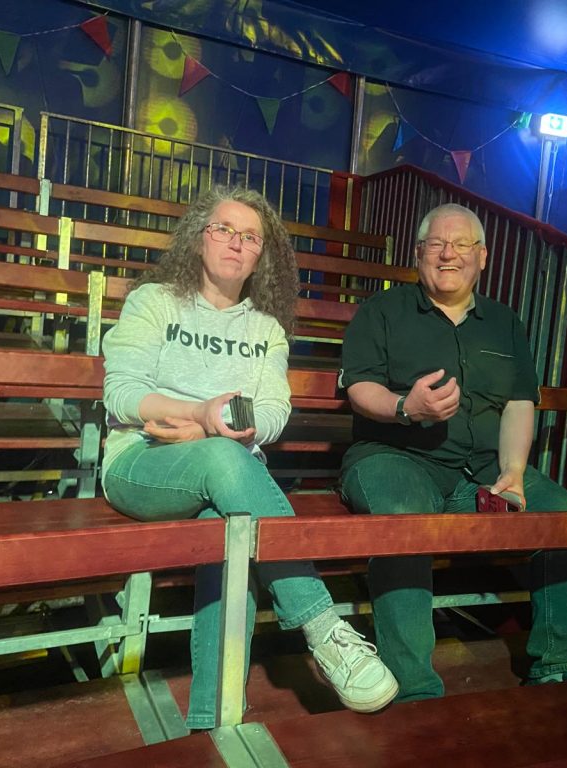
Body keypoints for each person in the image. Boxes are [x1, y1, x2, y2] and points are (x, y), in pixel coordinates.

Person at [101, 185, 398, 728]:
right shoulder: (155, 302)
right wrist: (199, 414)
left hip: (229, 473)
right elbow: (121, 394)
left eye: (251, 237)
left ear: (262, 256)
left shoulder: (266, 330)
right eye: (224, 229)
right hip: (143, 461)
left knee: (230, 529)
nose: (236, 243)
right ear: (198, 238)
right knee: (223, 461)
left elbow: (275, 412)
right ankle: (324, 628)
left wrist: (227, 429)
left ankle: (215, 720)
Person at [338, 202, 567, 702]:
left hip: (485, 469)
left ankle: (558, 666)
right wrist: (406, 407)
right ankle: (413, 689)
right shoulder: (381, 311)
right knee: (405, 520)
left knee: (565, 517)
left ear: (482, 257)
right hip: (394, 457)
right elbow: (359, 388)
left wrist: (514, 471)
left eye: (461, 245)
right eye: (436, 243)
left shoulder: (504, 321)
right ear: (418, 253)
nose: (448, 254)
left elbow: (519, 402)